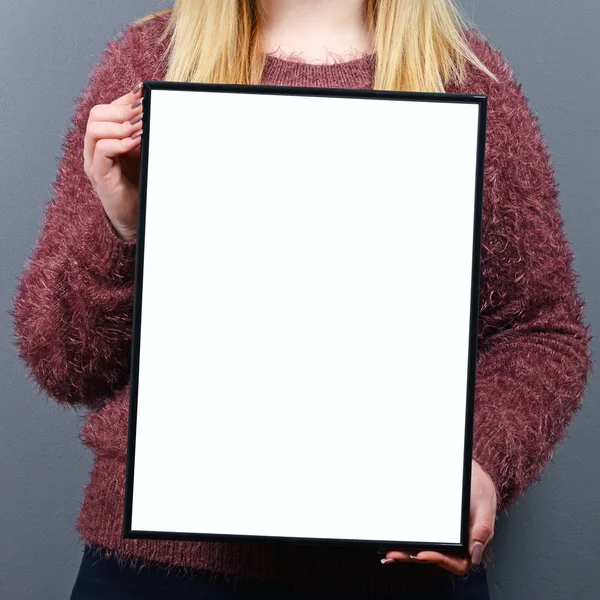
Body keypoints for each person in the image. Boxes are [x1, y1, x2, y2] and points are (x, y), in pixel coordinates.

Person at [10, 1, 592, 598]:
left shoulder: (466, 79)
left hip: (397, 566)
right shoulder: (150, 66)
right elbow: (60, 364)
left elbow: (542, 333)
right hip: (158, 570)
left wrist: (480, 463)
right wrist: (122, 230)